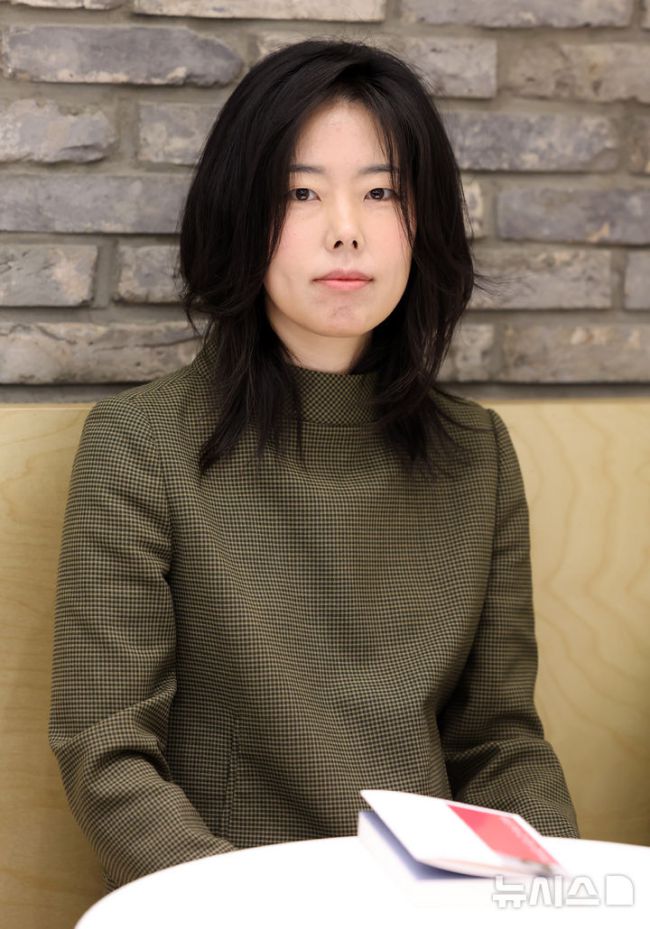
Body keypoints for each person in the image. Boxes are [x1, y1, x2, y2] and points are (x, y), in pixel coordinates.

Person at [48, 38, 580, 895]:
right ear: (240, 214)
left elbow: (499, 744)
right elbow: (106, 752)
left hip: (427, 902)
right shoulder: (139, 443)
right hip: (222, 903)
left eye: (381, 191)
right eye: (301, 193)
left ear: (424, 222)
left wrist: (550, 895)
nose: (346, 228)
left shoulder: (477, 451)